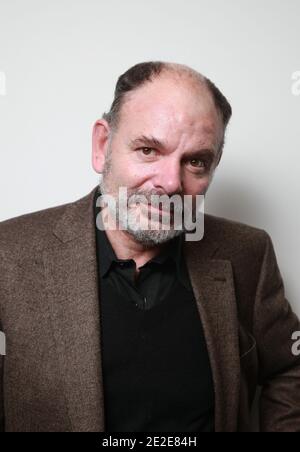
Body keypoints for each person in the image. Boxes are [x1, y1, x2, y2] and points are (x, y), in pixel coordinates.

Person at [0, 61, 299, 432]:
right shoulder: (8, 255)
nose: (171, 182)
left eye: (195, 161)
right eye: (148, 150)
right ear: (102, 146)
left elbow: (290, 364)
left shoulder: (248, 253)